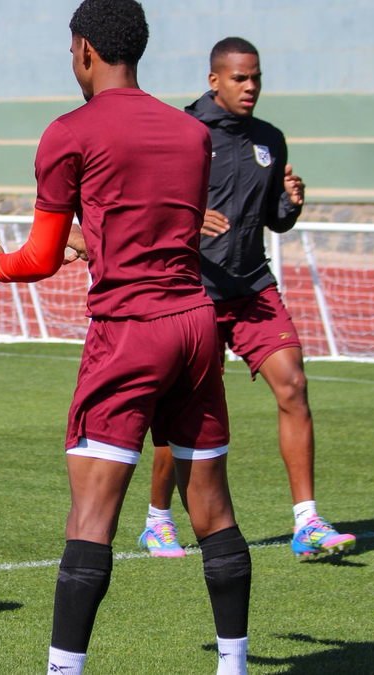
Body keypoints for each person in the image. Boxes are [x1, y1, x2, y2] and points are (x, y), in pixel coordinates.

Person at [0, 2, 251, 673]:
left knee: (91, 516)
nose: (72, 62)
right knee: (212, 507)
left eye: (72, 52)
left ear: (87, 52)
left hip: (130, 332)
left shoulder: (69, 131)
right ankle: (233, 664)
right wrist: (92, 245)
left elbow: (37, 257)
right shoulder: (190, 133)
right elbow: (148, 227)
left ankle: (63, 669)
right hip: (195, 325)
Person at [137, 37, 356, 561]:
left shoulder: (269, 139)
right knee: (182, 414)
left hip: (253, 285)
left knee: (294, 384)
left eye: (256, 76)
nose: (251, 86)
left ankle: (307, 522)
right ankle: (158, 520)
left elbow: (274, 218)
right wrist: (187, 219)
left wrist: (292, 202)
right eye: (240, 78)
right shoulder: (183, 132)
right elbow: (149, 206)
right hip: (194, 292)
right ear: (215, 80)